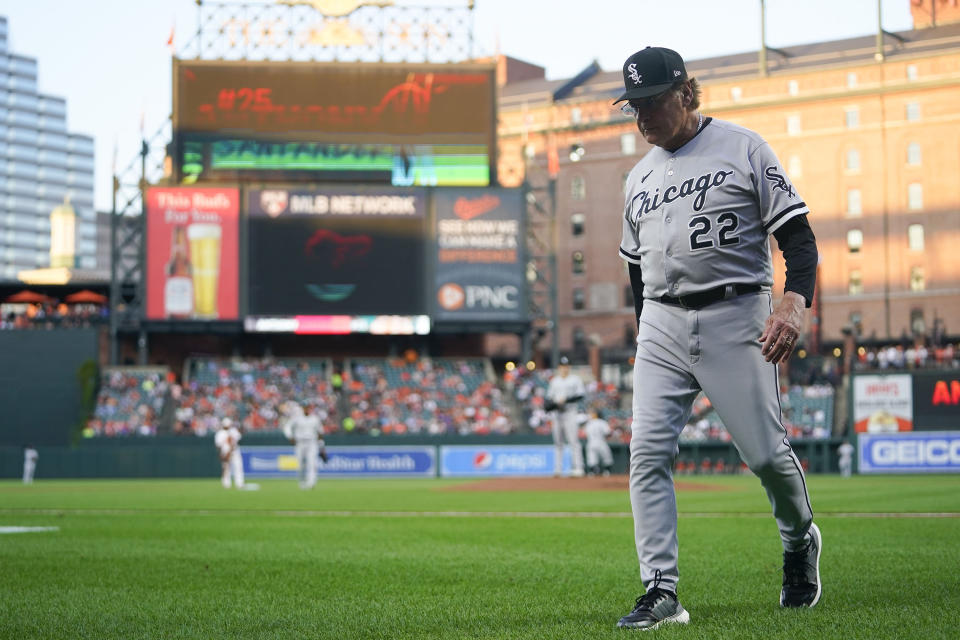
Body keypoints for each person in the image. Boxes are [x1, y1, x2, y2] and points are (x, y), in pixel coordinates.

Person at [613, 47, 822, 630]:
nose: (642, 117)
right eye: (633, 106)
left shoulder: (743, 147)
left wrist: (793, 301)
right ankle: (660, 588)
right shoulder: (638, 176)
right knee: (647, 453)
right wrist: (644, 334)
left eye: (651, 102)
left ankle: (798, 538)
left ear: (685, 92)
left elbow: (799, 241)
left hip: (737, 314)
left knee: (766, 456)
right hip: (660, 323)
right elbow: (636, 270)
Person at [545, 356, 586, 477]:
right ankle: (558, 469)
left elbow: (580, 395)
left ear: (569, 367)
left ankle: (578, 468)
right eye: (562, 366)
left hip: (570, 413)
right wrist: (554, 404)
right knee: (558, 442)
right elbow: (548, 399)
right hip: (557, 414)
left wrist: (566, 400)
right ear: (559, 368)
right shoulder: (554, 381)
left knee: (573, 441)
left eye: (566, 366)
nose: (564, 368)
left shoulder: (575, 379)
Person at [282, 402, 327, 490]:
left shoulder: (315, 419)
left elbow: (320, 432)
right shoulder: (297, 418)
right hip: (300, 443)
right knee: (300, 464)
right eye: (305, 407)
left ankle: (311, 483)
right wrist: (290, 437)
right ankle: (302, 482)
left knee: (312, 463)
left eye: (308, 407)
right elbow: (287, 427)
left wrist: (322, 446)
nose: (307, 409)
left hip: (312, 443)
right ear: (303, 408)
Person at [214, 417, 244, 489]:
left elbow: (238, 439)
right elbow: (218, 445)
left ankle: (239, 483)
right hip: (225, 452)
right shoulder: (220, 433)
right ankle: (226, 484)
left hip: (234, 451)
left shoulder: (233, 431)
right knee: (226, 468)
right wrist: (221, 454)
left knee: (238, 467)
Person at [583, 408, 614, 477]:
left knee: (592, 459)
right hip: (601, 441)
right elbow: (608, 433)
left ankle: (592, 472)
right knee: (607, 458)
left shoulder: (589, 423)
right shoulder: (602, 422)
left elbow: (585, 434)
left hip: (591, 442)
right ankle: (607, 472)